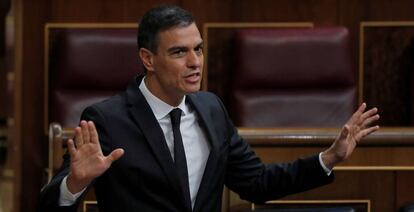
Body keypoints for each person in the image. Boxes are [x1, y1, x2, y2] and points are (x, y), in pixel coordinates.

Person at [37, 5, 380, 212]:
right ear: (148, 59)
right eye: (179, 52)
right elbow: (49, 205)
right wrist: (74, 184)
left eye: (198, 50)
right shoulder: (106, 120)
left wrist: (329, 158)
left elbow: (257, 183)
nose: (194, 62)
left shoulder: (211, 109)